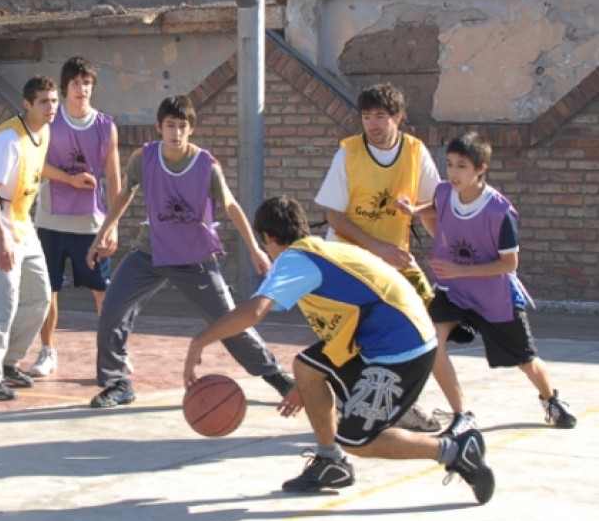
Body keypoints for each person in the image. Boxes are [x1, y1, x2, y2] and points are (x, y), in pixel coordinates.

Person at [183, 196, 495, 504]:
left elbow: (254, 311)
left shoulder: (295, 259)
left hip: (401, 350)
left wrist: (201, 340)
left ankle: (454, 450)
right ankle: (330, 461)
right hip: (387, 336)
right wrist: (308, 385)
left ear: (268, 238)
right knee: (306, 368)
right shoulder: (322, 250)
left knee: (358, 440)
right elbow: (350, 321)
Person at [85, 95, 294, 408]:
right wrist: (104, 232)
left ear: (191, 129)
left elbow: (231, 205)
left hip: (195, 257)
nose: (176, 132)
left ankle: (275, 375)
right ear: (159, 127)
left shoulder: (206, 165)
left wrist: (255, 248)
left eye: (182, 126)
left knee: (228, 321)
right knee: (113, 307)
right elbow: (124, 196)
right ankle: (117, 382)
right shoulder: (143, 158)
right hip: (149, 252)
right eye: (170, 125)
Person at [397, 131, 576, 432]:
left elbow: (510, 263)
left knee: (527, 361)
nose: (453, 173)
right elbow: (437, 206)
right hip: (454, 292)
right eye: (451, 164)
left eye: (462, 166)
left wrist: (459, 270)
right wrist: (413, 211)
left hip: (495, 297)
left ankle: (551, 399)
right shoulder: (443, 192)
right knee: (431, 341)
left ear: (481, 168)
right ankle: (461, 412)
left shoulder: (500, 211)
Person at [314, 83, 442, 432]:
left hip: (393, 260)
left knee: (426, 326)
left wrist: (443, 248)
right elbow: (335, 217)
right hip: (349, 260)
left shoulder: (416, 153)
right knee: (354, 337)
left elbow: (433, 206)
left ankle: (405, 401)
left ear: (398, 117)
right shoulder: (348, 153)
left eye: (380, 117)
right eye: (366, 117)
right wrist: (378, 249)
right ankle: (360, 399)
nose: (371, 124)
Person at [0, 76, 60, 401]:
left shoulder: (42, 132)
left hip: (21, 223)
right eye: (44, 102)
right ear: (27, 104)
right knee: (0, 303)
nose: (51, 108)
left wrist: (71, 180)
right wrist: (1, 239)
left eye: (54, 101)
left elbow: (37, 168)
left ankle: (6, 362)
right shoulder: (9, 138)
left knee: (40, 296)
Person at [30, 57, 121, 377]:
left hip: (90, 224)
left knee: (104, 292)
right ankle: (47, 351)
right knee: (47, 290)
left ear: (92, 86)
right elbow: (35, 164)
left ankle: (113, 352)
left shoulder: (105, 126)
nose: (81, 89)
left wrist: (113, 226)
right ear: (65, 87)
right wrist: (68, 179)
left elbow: (115, 181)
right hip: (51, 220)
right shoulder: (50, 122)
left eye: (86, 83)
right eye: (75, 83)